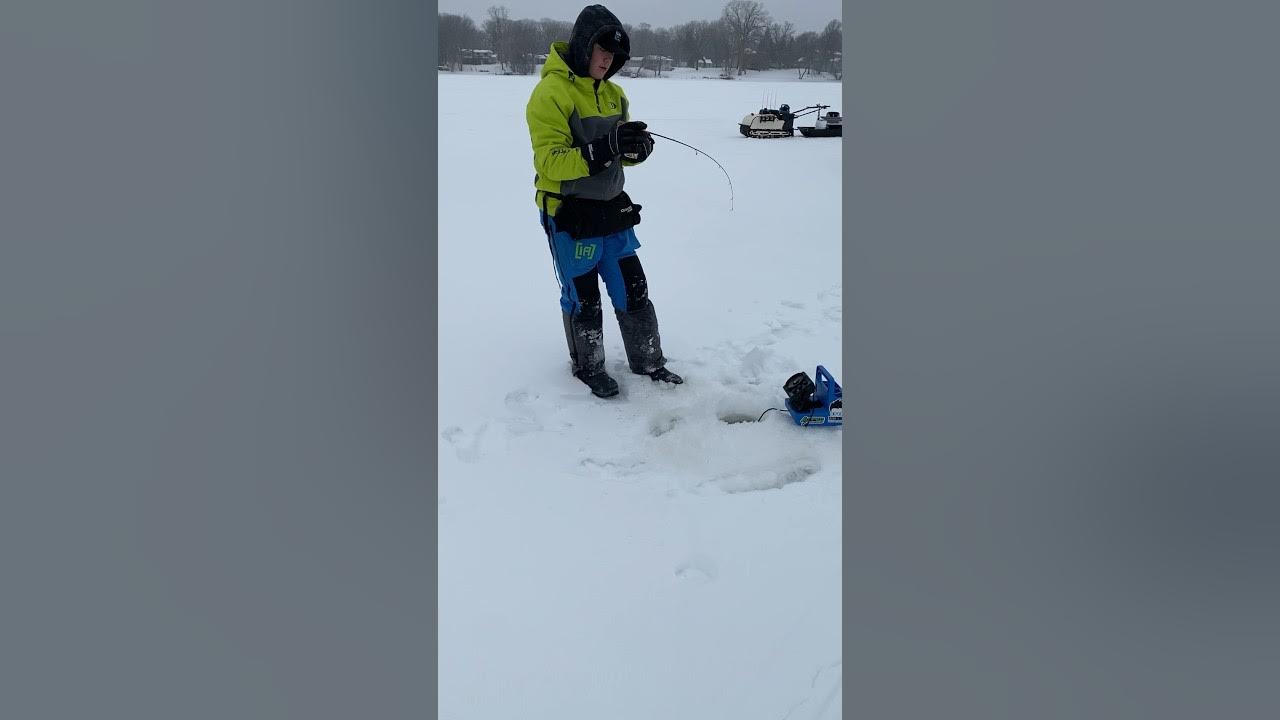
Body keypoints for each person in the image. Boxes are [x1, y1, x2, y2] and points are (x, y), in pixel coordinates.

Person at [525, 4, 683, 398]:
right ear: (583, 45)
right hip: (569, 211)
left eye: (616, 53)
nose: (608, 58)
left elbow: (617, 154)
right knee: (584, 297)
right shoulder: (550, 93)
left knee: (633, 286)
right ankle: (588, 366)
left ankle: (648, 360)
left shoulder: (614, 95)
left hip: (612, 210)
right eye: (602, 49)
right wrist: (604, 148)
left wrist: (634, 150)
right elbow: (549, 162)